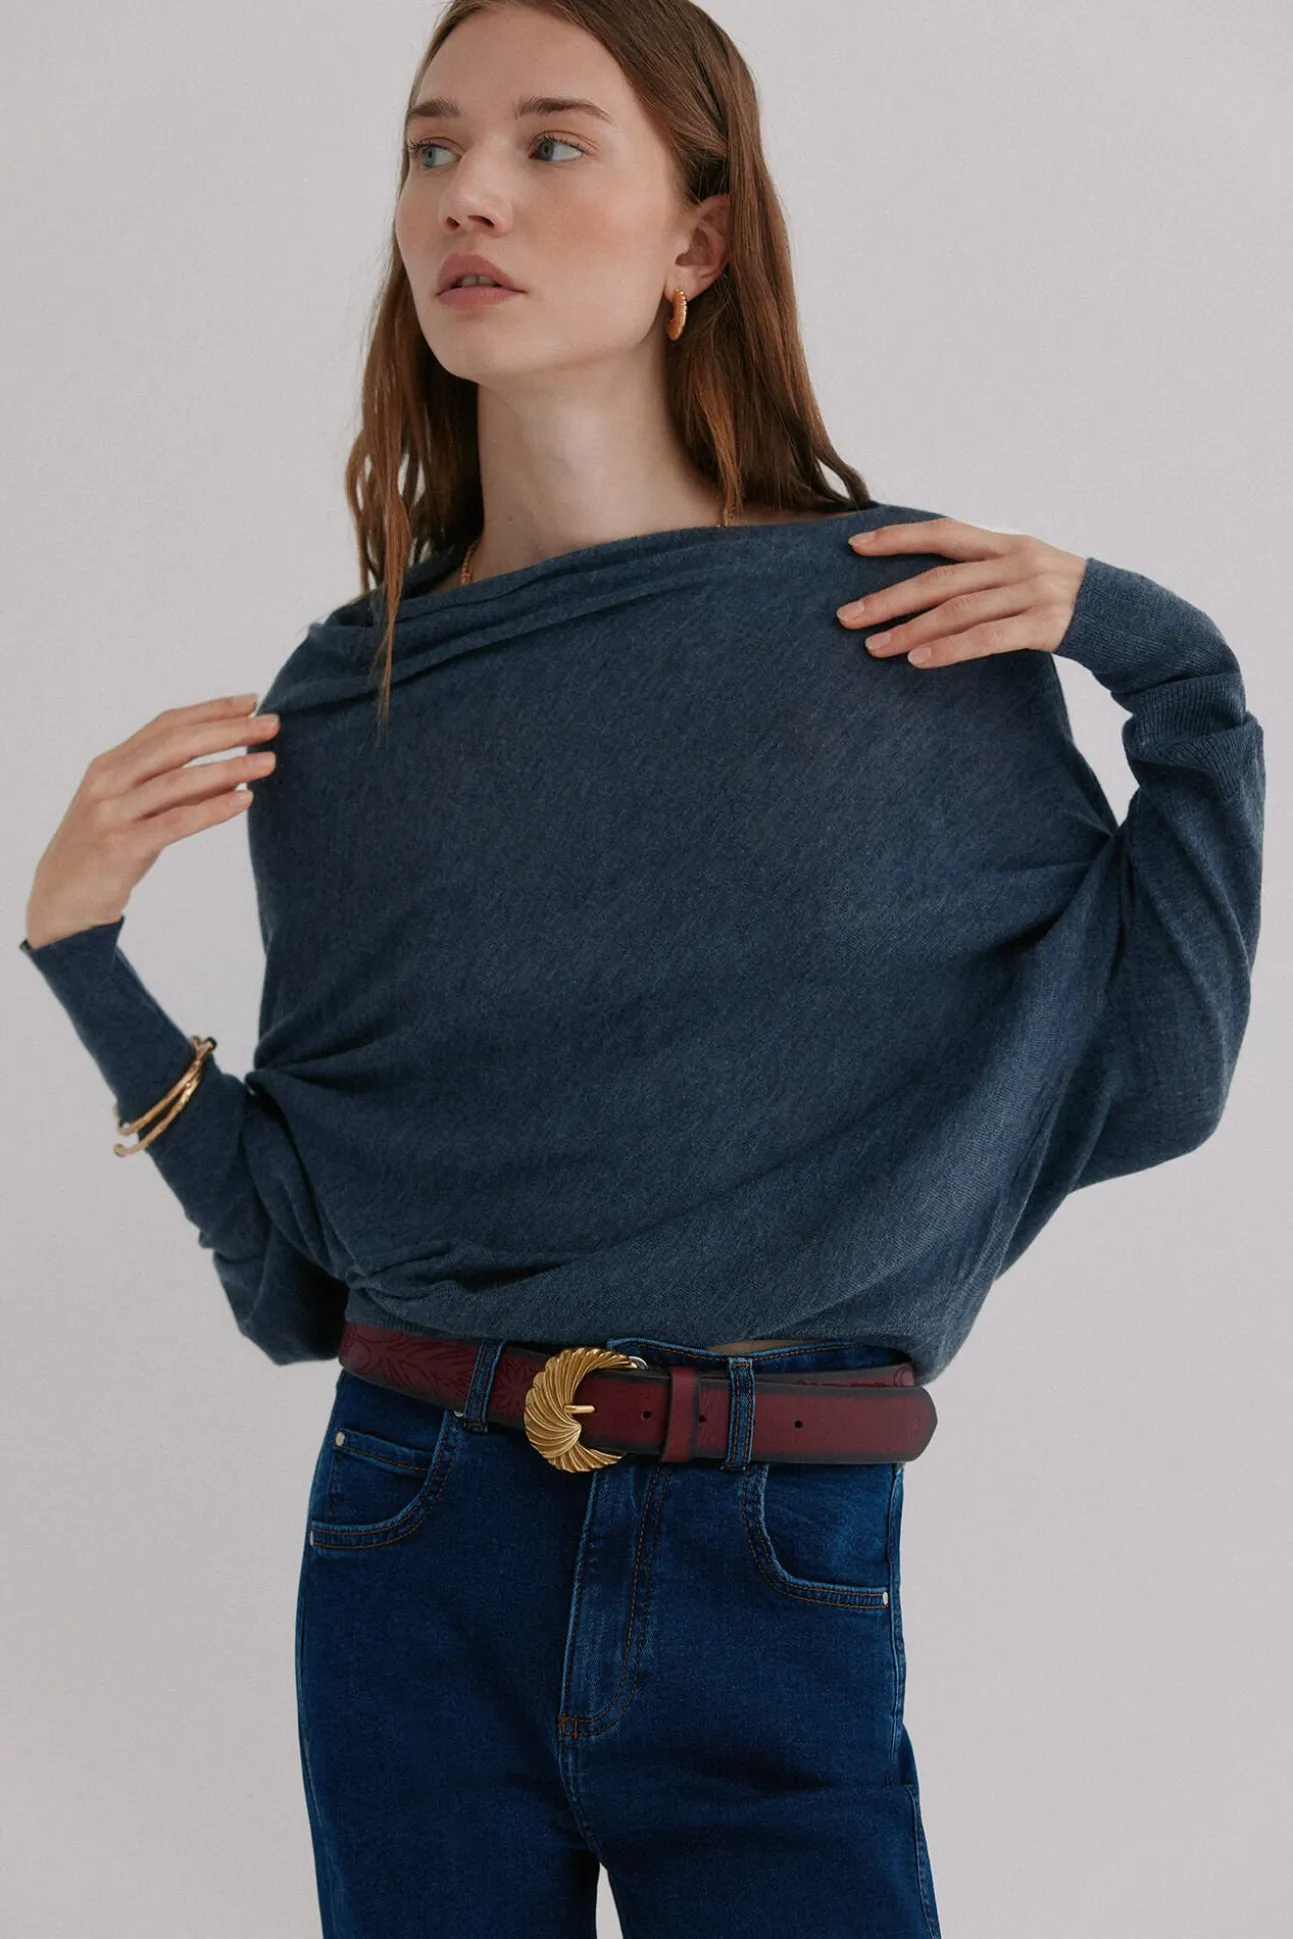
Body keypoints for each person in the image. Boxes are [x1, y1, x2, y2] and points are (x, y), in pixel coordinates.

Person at [19, 3, 1264, 1936]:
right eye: (432, 148)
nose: (470, 197)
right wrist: (76, 950)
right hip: (412, 1535)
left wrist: (1162, 658)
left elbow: (1155, 1073)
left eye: (550, 143)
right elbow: (297, 1277)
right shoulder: (351, 703)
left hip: (780, 1547)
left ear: (700, 235)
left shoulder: (900, 623)